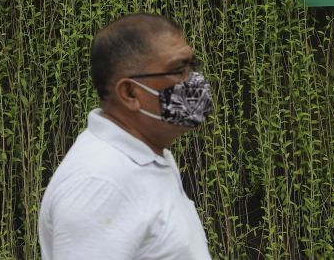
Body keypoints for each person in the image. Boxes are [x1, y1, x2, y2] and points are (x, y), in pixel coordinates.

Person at [38, 13, 213, 260]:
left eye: (191, 66)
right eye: (178, 70)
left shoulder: (145, 157)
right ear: (130, 93)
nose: (193, 80)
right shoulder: (99, 184)